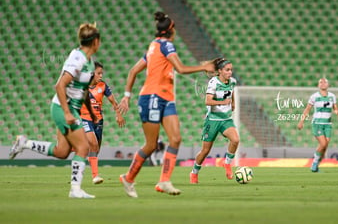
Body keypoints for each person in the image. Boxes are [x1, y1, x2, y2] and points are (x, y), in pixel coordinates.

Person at [117, 11, 215, 198]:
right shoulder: (166, 46)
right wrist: (204, 66)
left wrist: (127, 95)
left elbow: (133, 71)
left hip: (166, 98)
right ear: (171, 31)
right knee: (151, 145)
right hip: (152, 97)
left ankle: (164, 180)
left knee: (175, 139)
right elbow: (181, 68)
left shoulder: (153, 47)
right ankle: (128, 178)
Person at [9, 22, 101, 198]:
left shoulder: (88, 61)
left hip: (69, 108)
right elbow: (59, 85)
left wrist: (90, 112)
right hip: (62, 108)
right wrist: (67, 113)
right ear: (96, 41)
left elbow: (84, 91)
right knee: (83, 147)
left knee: (62, 151)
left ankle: (24, 143)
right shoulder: (78, 58)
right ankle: (75, 190)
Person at [189, 58, 239, 184]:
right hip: (212, 120)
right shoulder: (213, 83)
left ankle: (227, 164)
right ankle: (194, 172)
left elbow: (231, 92)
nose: (230, 72)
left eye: (231, 70)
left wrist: (233, 103)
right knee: (205, 151)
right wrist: (223, 102)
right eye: (227, 70)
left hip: (226, 119)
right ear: (220, 71)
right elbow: (208, 101)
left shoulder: (232, 82)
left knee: (235, 140)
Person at [79, 61, 125, 184]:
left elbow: (113, 101)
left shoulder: (103, 86)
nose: (101, 76)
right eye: (99, 73)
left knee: (96, 149)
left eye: (102, 73)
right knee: (93, 144)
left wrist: (118, 114)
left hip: (98, 121)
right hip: (85, 118)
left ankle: (73, 147)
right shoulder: (82, 86)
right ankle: (95, 176)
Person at [297, 78, 338, 172]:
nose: (323, 83)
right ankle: (314, 163)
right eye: (320, 82)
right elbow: (307, 109)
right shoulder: (314, 96)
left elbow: (335, 108)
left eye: (325, 82)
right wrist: (301, 121)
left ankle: (316, 166)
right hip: (317, 123)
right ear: (318, 85)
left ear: (328, 85)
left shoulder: (332, 96)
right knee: (323, 143)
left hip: (328, 124)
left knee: (325, 146)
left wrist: (337, 112)